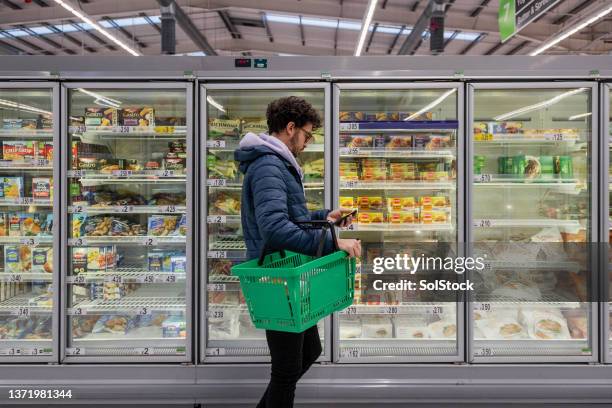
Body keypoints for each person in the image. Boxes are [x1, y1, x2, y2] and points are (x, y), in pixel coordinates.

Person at [235, 96, 361, 408]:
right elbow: (276, 227)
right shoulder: (268, 165)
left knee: (308, 353)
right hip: (277, 277)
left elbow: (289, 216)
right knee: (286, 370)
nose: (307, 142)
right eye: (307, 134)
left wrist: (325, 217)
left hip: (287, 273)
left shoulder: (277, 163)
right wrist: (333, 243)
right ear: (290, 128)